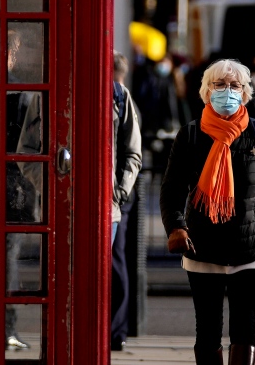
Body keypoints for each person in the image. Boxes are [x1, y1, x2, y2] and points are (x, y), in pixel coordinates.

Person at [159, 58, 255, 365]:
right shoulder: (189, 135)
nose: (228, 91)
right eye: (220, 85)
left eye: (235, 86)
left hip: (250, 249)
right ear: (206, 91)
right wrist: (176, 226)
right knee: (208, 331)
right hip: (203, 248)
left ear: (245, 92)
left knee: (244, 330)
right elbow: (171, 190)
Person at [111, 50, 143, 351]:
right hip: (106, 197)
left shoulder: (121, 97)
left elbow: (134, 152)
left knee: (115, 262)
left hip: (115, 200)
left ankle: (116, 330)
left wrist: (118, 191)